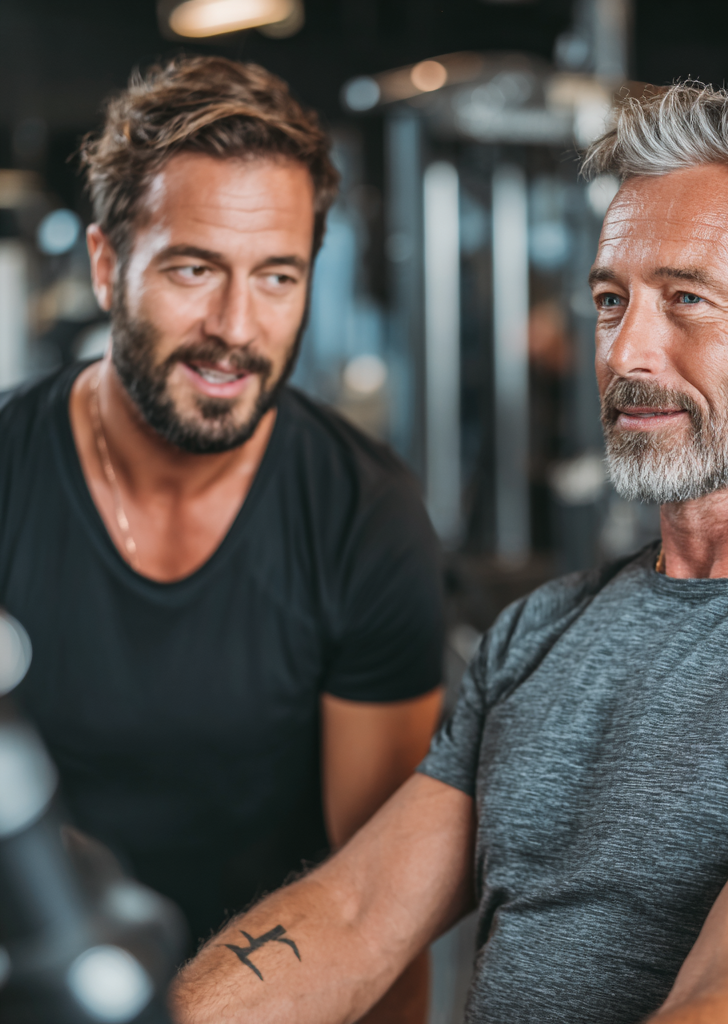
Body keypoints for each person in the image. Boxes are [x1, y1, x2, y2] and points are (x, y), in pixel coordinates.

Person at [170, 84, 728, 1024]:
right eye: (612, 300)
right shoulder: (545, 627)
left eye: (687, 300)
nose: (627, 352)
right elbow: (355, 913)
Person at [0, 57, 444, 1023]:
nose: (234, 329)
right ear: (107, 263)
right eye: (194, 269)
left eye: (276, 277)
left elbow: (379, 910)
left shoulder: (365, 518)